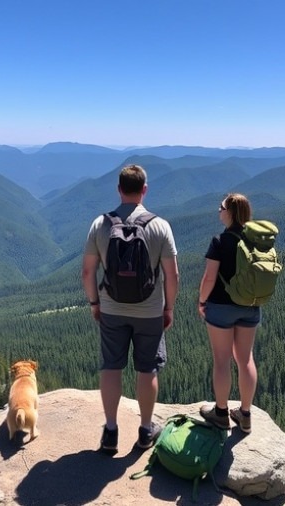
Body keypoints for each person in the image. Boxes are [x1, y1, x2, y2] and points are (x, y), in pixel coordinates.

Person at [81, 164, 179, 453]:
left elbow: (88, 273)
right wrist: (168, 308)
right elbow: (172, 275)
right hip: (150, 311)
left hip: (111, 307)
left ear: (119, 189)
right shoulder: (160, 226)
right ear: (144, 190)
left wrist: (94, 303)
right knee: (147, 369)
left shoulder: (100, 225)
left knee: (111, 366)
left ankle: (110, 432)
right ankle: (146, 431)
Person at [197, 193, 259, 433]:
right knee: (245, 360)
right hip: (251, 306)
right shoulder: (256, 241)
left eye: (221, 207)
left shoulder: (219, 241)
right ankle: (245, 415)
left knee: (222, 360)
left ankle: (221, 413)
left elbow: (210, 277)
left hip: (221, 308)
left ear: (230, 212)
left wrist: (202, 301)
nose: (218, 210)